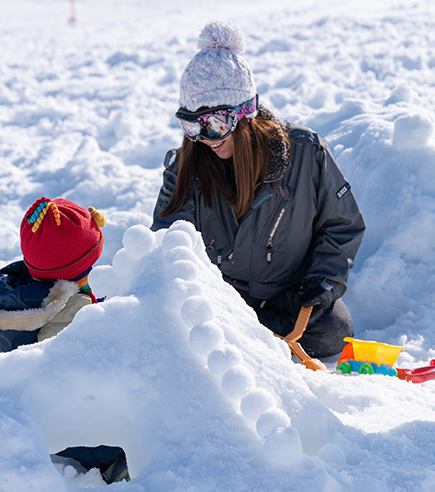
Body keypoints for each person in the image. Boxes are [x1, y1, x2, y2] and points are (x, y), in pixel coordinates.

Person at [151, 21, 365, 367]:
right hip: (222, 299)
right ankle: (252, 335)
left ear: (244, 113)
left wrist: (322, 282)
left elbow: (341, 225)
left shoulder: (306, 153)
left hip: (289, 293)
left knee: (333, 332)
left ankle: (256, 336)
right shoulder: (185, 166)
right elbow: (167, 244)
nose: (206, 137)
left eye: (216, 124)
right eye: (192, 124)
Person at [0, 196, 129, 483]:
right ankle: (113, 466)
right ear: (78, 267)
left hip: (34, 411)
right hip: (82, 435)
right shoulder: (68, 314)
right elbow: (85, 371)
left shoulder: (24, 295)